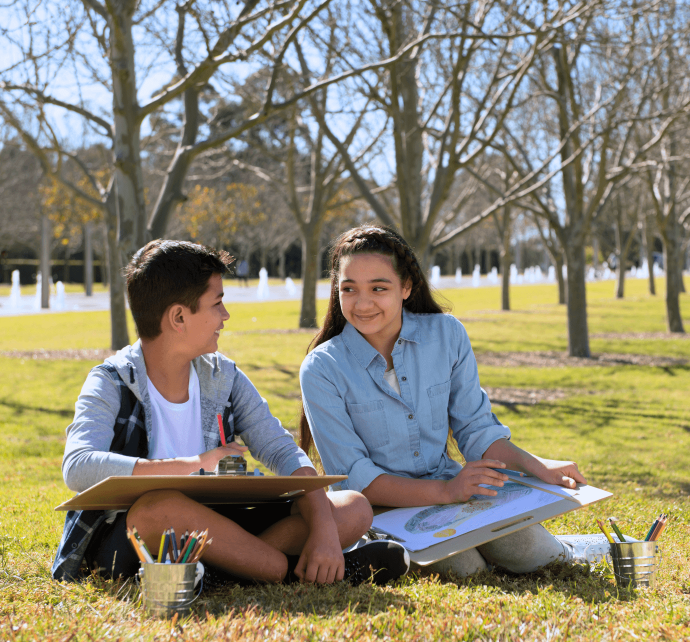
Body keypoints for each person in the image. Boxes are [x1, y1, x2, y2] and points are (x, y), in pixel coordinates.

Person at [53, 239, 408, 586]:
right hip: (138, 540)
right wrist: (196, 464)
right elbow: (78, 467)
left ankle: (227, 572)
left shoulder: (222, 376)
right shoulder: (111, 381)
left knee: (353, 507)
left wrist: (326, 531)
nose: (225, 315)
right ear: (179, 317)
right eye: (216, 303)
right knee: (159, 508)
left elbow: (280, 448)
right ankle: (289, 571)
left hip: (218, 527)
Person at [298, 226, 596, 578]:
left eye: (379, 288)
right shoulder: (321, 368)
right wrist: (446, 491)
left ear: (406, 287)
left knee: (527, 551)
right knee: (466, 569)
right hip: (380, 510)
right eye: (349, 289)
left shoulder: (447, 334)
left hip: (452, 490)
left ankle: (577, 550)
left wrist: (539, 467)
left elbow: (476, 429)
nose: (362, 304)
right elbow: (356, 479)